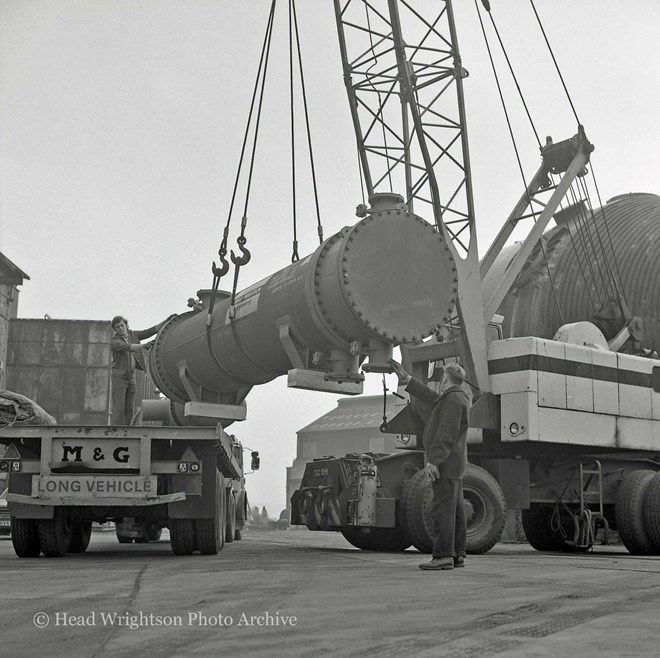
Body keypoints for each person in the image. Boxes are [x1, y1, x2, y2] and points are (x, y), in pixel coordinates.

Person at [390, 358, 471, 571]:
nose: (441, 382)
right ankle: (457, 554)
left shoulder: (453, 400)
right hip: (454, 464)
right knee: (455, 511)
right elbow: (433, 398)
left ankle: (443, 556)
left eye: (443, 378)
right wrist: (408, 380)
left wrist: (434, 461)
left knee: (442, 509)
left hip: (446, 464)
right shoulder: (454, 398)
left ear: (447, 378)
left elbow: (446, 433)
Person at [110, 314, 173, 425]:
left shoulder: (133, 335)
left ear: (126, 325)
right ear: (115, 330)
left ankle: (127, 430)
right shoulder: (115, 341)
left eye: (121, 325)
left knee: (129, 407)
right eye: (117, 327)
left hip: (131, 376)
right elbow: (129, 347)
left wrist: (166, 321)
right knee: (119, 407)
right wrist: (144, 346)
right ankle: (117, 430)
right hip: (119, 377)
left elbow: (149, 331)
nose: (120, 328)